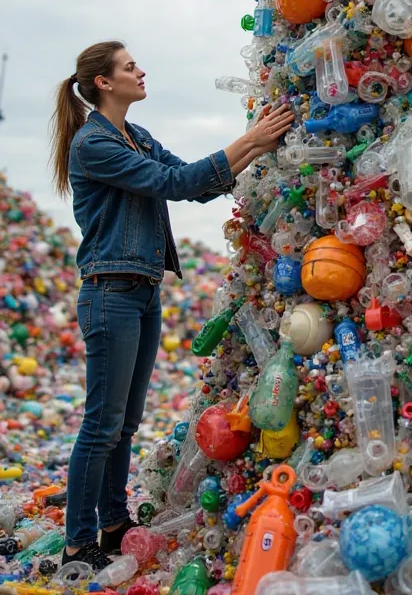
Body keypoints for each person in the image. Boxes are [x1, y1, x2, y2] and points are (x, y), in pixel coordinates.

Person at [49, 40, 293, 570]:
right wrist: (250, 138)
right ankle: (78, 539)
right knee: (101, 422)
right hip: (109, 292)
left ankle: (114, 523)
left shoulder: (136, 137)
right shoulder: (94, 144)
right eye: (129, 66)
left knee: (127, 421)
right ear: (103, 84)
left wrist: (260, 145)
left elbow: (199, 184)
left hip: (142, 292)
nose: (140, 71)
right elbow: (174, 183)